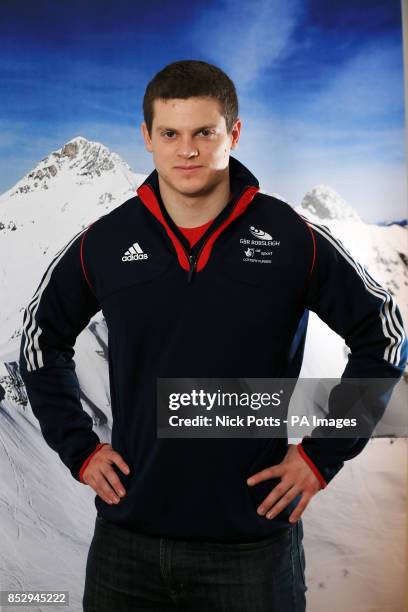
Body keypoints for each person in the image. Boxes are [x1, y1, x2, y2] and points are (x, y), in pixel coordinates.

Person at [19, 60, 407, 612]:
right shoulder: (104, 243)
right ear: (147, 138)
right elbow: (40, 340)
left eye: (205, 132)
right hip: (127, 545)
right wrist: (78, 449)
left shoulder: (292, 238)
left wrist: (322, 455)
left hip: (251, 550)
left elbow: (386, 337)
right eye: (170, 134)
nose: (188, 150)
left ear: (234, 133)